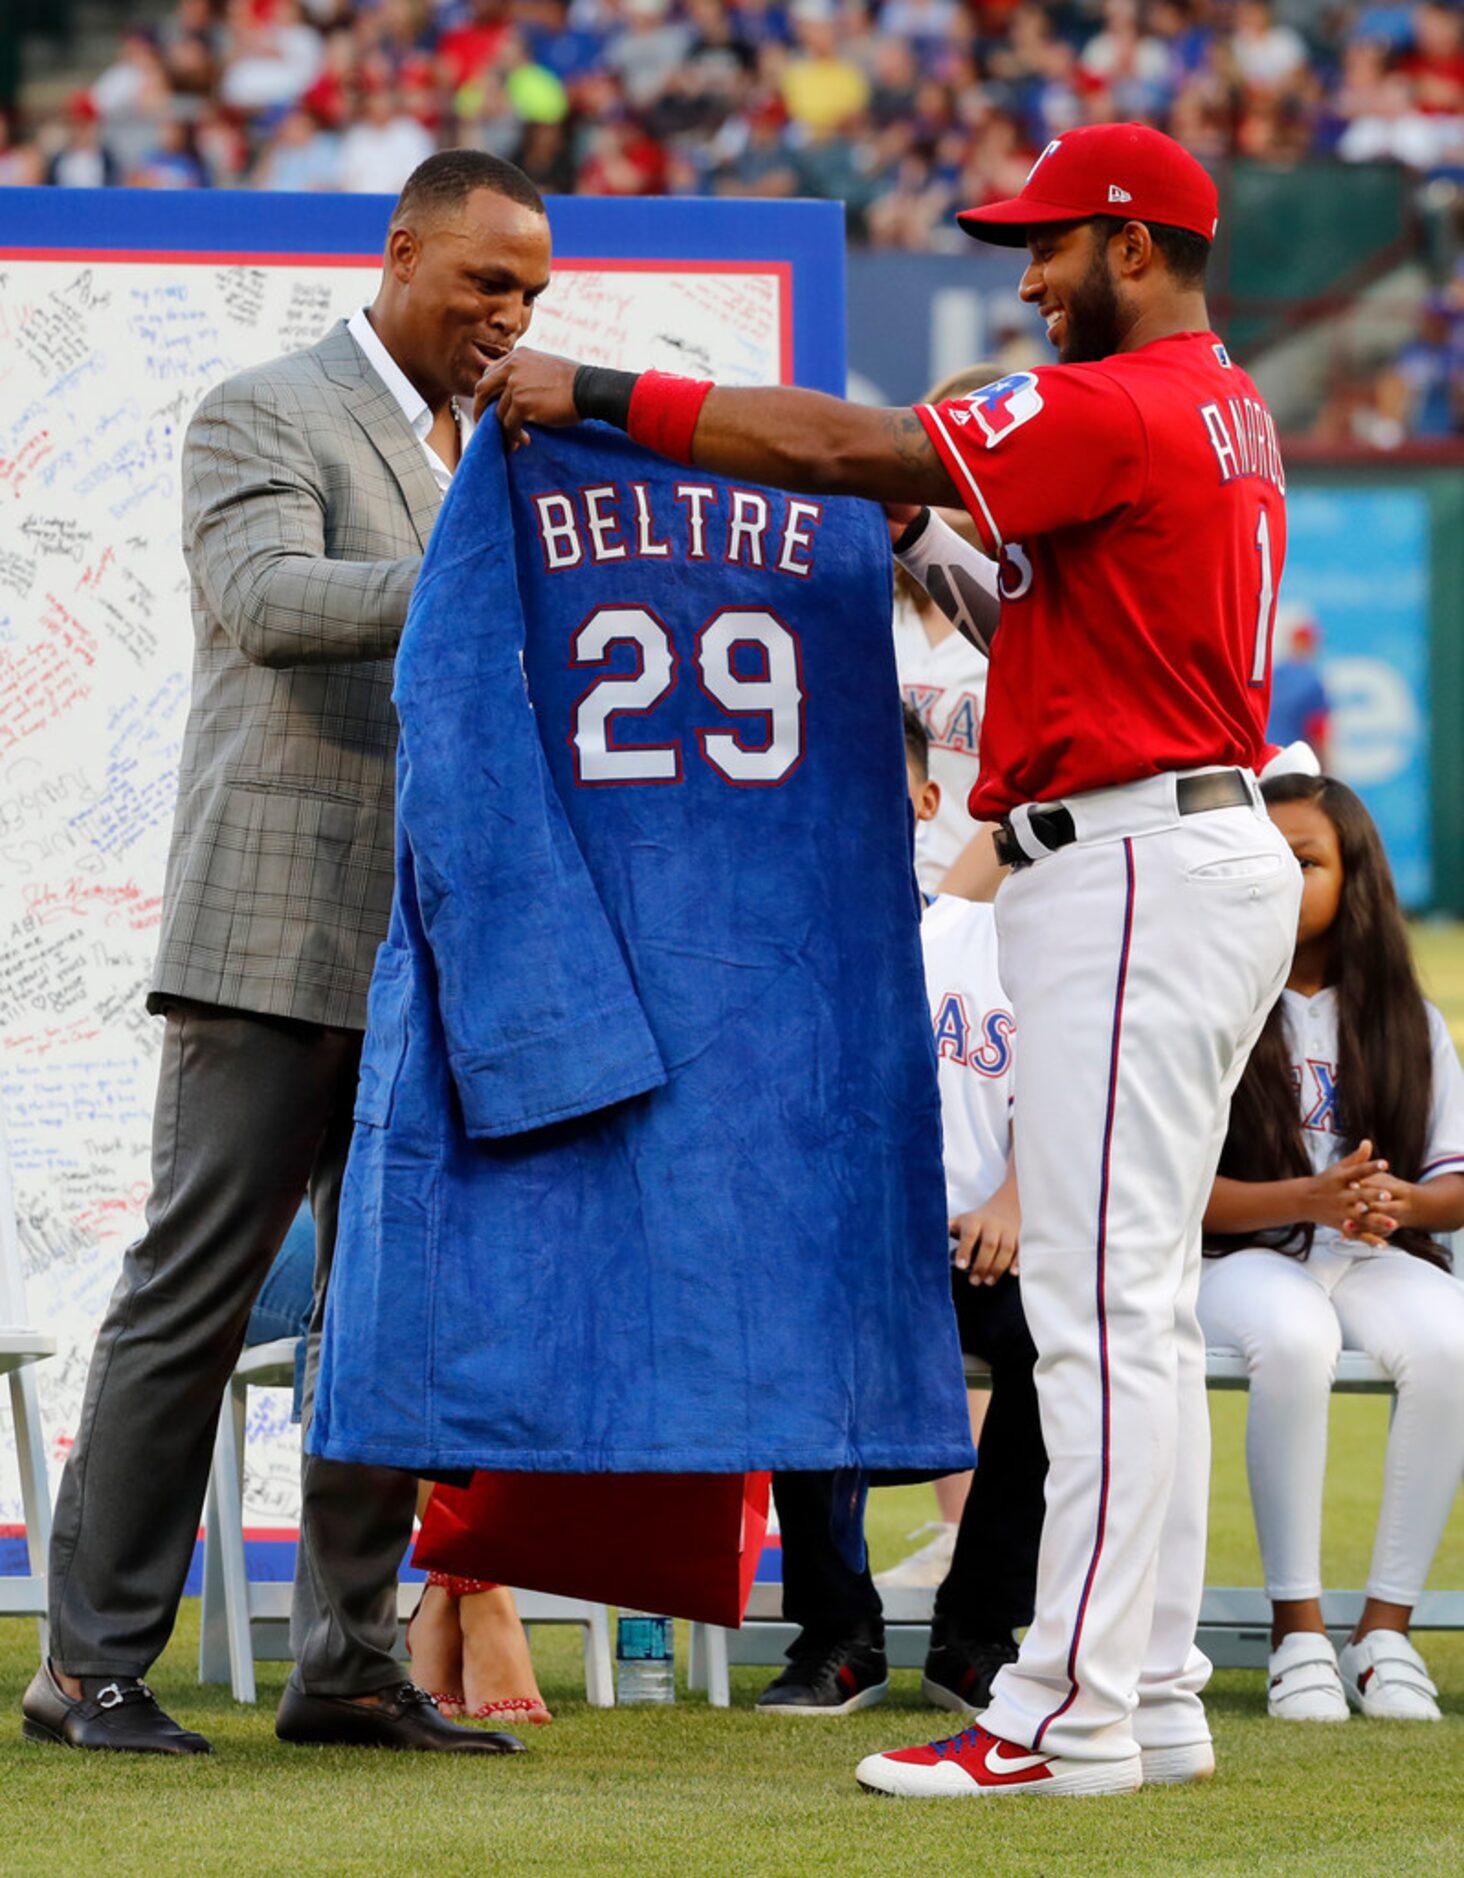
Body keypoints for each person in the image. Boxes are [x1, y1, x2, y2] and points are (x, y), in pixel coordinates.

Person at [476, 119, 1303, 1797]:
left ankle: (1057, 1711)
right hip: (1183, 835)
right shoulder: (1218, 398)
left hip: (1133, 851)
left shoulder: (1113, 396)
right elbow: (1079, 613)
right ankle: (1144, 1689)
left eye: (1049, 245)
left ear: (1130, 244)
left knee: (1086, 1315)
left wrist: (605, 395)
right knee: (1128, 1310)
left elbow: (852, 445)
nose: (1027, 277)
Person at [23, 150, 552, 1758]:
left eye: (530, 292)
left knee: (389, 1319)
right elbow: (266, 599)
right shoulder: (265, 407)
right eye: (485, 281)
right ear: (401, 253)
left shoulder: (490, 444)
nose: (509, 314)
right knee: (192, 1294)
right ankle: (88, 1667)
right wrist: (491, 567)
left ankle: (348, 1664)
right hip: (277, 930)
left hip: (434, 953)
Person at [757, 707, 1044, 1718]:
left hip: (976, 1243)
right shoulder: (780, 948)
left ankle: (977, 1631)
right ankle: (841, 1633)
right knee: (792, 1337)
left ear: (928, 802)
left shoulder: (988, 935)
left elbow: (1057, 1093)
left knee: (1056, 1350)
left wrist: (1014, 1196)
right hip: (841, 1253)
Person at [1199, 773, 1464, 1724]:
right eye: (1264, 856)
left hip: (1366, 1255)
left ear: (1353, 879)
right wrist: (1308, 1196)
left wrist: (1398, 1201)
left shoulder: (1406, 1018)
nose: (1281, 874)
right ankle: (1297, 1631)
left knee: (1450, 1344)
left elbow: (1454, 1189)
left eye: (1305, 860)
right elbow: (1180, 1200)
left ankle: (1383, 1632)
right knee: (1298, 1336)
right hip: (1237, 1258)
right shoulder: (1209, 1002)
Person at [894, 366, 1005, 903]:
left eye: (979, 452)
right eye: (944, 447)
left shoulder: (1038, 613)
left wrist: (942, 913)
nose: (954, 472)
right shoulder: (873, 598)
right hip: (865, 904)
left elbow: (1027, 799)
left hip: (979, 921)